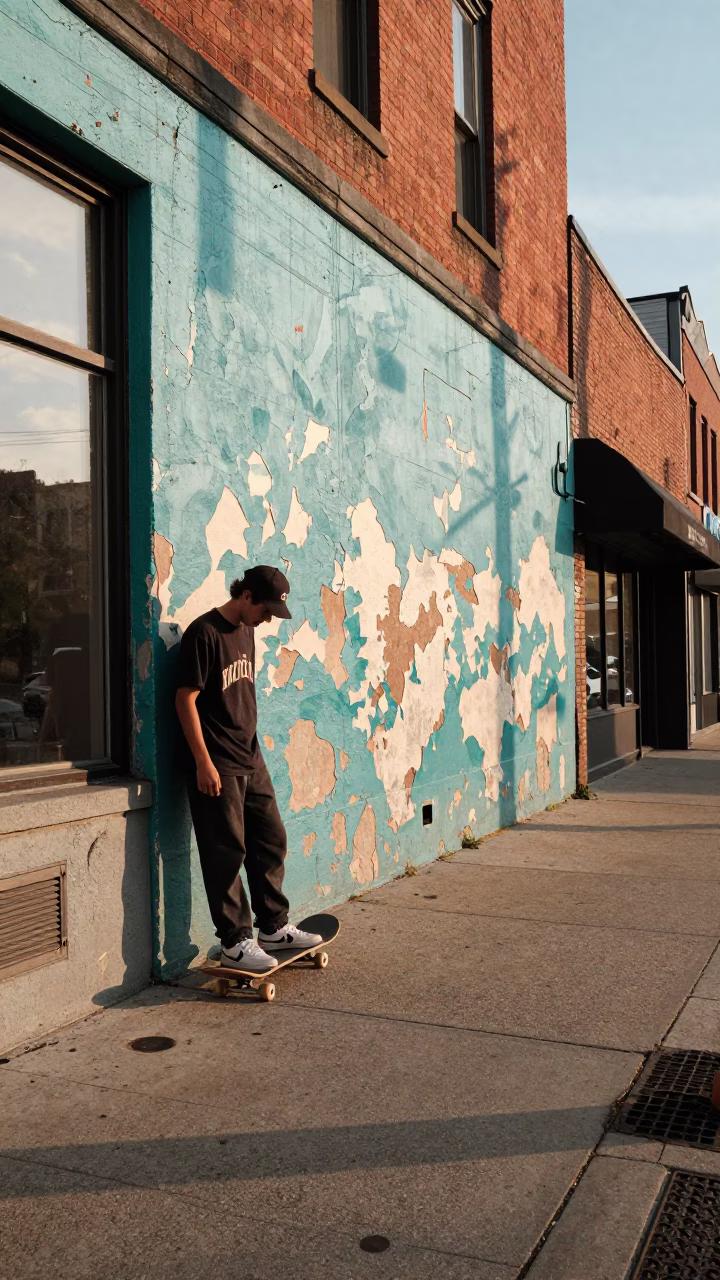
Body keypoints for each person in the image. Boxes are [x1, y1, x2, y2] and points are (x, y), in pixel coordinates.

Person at [175, 565, 322, 973]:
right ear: (246, 596)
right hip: (217, 762)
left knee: (271, 838)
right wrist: (203, 762)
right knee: (226, 852)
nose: (269, 618)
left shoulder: (247, 630)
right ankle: (235, 942)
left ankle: (273, 928)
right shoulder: (203, 634)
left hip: (249, 757)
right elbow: (185, 699)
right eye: (266, 609)